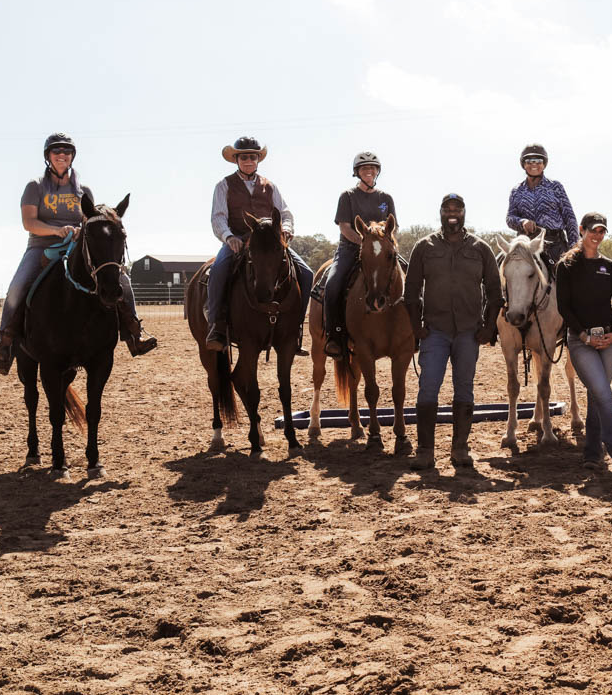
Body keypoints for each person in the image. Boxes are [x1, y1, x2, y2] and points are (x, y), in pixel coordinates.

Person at [0, 133, 156, 375]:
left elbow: (92, 220)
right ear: (48, 156)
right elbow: (29, 222)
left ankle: (134, 332)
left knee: (122, 279)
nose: (62, 155)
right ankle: (5, 343)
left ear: (72, 157)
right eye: (56, 151)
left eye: (67, 152)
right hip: (41, 246)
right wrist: (56, 230)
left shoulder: (83, 190)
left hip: (77, 246)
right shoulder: (34, 186)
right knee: (17, 287)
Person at [404, 193, 503, 470]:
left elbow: (495, 292)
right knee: (428, 389)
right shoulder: (424, 247)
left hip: (468, 333)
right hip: (434, 331)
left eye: (457, 209)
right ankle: (425, 451)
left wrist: (488, 326)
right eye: (447, 208)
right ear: (440, 213)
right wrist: (415, 327)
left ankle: (460, 449)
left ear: (464, 213)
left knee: (465, 390)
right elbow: (410, 291)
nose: (452, 213)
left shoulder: (480, 248)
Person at [205, 136, 314, 353]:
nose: (248, 161)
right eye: (244, 157)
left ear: (258, 159)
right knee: (217, 270)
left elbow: (285, 212)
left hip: (270, 241)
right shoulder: (224, 185)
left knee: (307, 272)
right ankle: (216, 325)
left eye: (252, 157)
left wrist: (287, 228)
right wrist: (229, 237)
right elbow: (218, 217)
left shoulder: (270, 186)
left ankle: (296, 328)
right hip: (238, 240)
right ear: (236, 159)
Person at [555, 212, 612, 473]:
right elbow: (564, 307)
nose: (597, 236)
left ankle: (592, 453)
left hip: (610, 340)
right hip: (581, 341)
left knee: (597, 393)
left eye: (602, 231)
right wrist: (582, 335)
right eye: (593, 230)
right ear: (582, 230)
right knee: (603, 392)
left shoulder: (610, 267)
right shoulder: (566, 266)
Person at [323, 151, 397, 358]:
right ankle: (335, 335)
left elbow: (394, 228)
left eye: (372, 168)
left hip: (382, 250)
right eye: (364, 168)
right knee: (333, 284)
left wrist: (382, 245)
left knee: (411, 279)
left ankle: (413, 332)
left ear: (377, 172)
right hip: (351, 249)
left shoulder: (386, 198)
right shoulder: (347, 196)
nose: (369, 171)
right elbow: (345, 227)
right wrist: (364, 243)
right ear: (357, 172)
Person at [505, 143, 579, 265]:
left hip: (555, 244)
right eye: (529, 161)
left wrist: (573, 247)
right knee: (502, 266)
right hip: (526, 244)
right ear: (523, 164)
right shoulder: (516, 191)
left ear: (544, 164)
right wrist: (522, 222)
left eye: (538, 160)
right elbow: (510, 218)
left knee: (567, 276)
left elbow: (570, 219)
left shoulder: (556, 187)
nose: (534, 164)